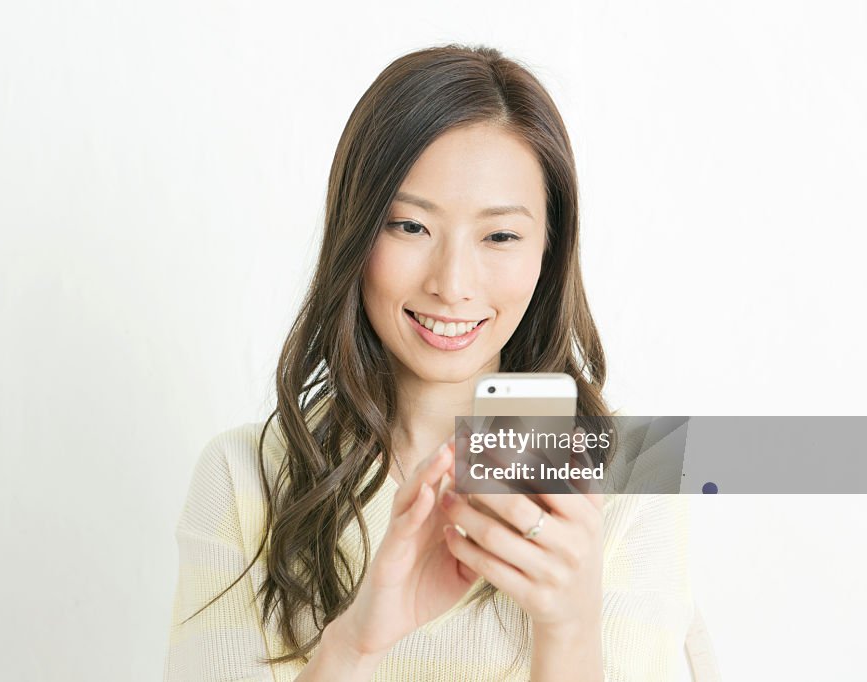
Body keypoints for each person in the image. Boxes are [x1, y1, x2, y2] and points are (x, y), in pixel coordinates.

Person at [163, 44, 696, 681]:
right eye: (411, 227)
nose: (453, 283)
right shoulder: (245, 479)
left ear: (548, 254)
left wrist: (568, 630)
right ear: (355, 233)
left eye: (499, 235)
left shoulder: (631, 482)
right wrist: (354, 644)